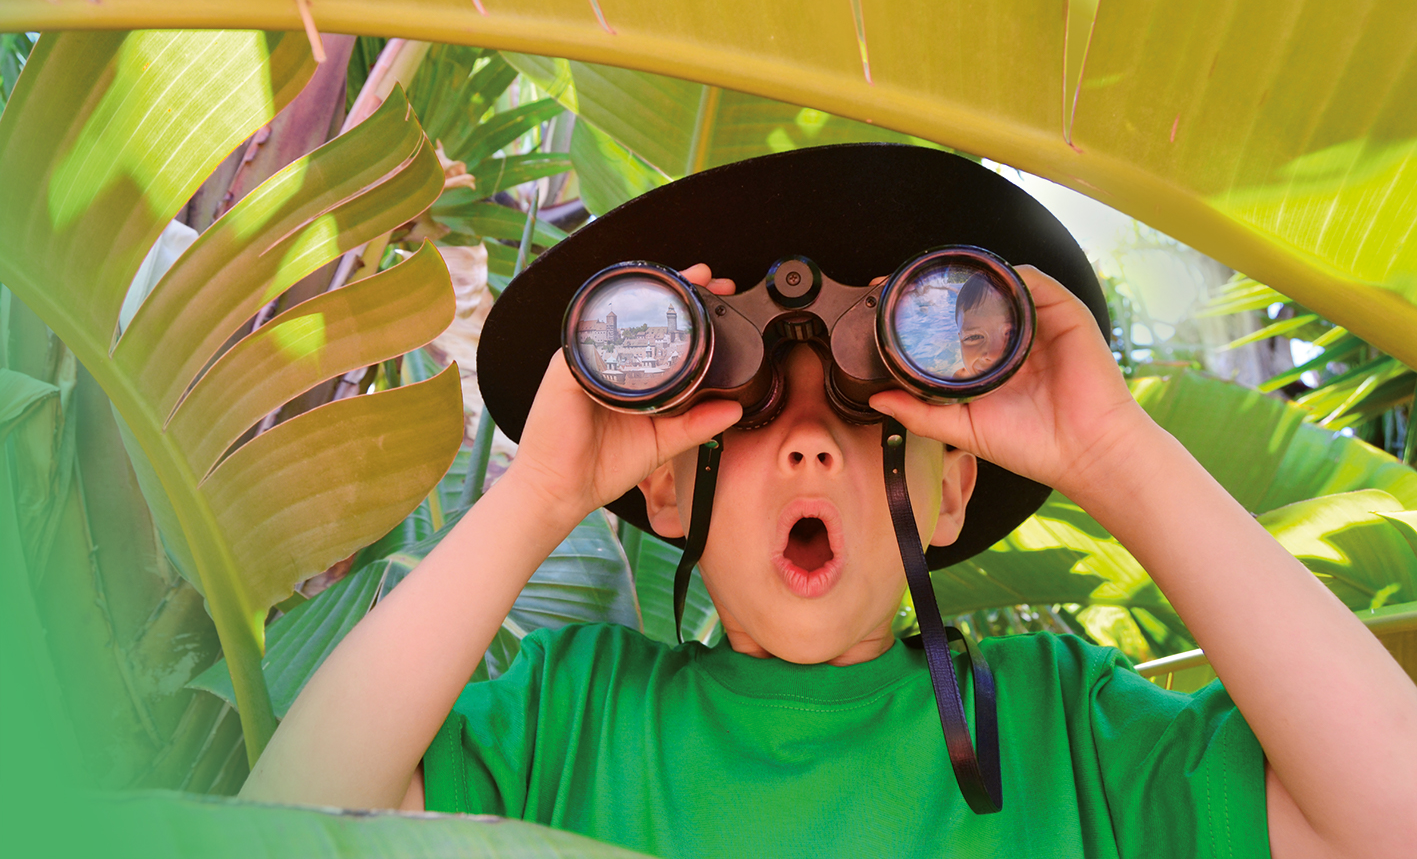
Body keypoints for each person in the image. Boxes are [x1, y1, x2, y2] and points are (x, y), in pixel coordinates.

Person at [242, 146, 1417, 859]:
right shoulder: (567, 719)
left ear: (950, 484)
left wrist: (1111, 446)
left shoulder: (1068, 729)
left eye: (871, 411)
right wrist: (540, 490)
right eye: (744, 409)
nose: (808, 440)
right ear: (661, 478)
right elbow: (284, 829)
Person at [953, 272, 1016, 379]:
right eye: (974, 337)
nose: (994, 356)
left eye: (1011, 334)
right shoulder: (959, 382)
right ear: (960, 340)